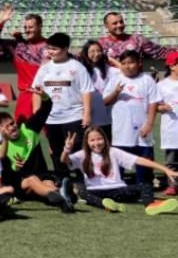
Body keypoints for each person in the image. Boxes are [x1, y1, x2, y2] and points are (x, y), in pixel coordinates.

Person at [62, 128, 178, 214]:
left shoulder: (113, 152)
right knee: (80, 189)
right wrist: (67, 149)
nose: (96, 143)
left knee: (145, 185)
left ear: (105, 139)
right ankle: (105, 205)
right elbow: (64, 161)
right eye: (92, 140)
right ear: (87, 142)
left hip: (118, 190)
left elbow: (140, 160)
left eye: (99, 139)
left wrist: (165, 169)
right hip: (95, 192)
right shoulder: (82, 155)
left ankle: (150, 205)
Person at [0, 89, 74, 213]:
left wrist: (45, 97)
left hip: (42, 175)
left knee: (48, 183)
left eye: (12, 123)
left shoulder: (28, 128)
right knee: (32, 180)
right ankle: (62, 198)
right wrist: (15, 167)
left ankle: (62, 199)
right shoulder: (1, 148)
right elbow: (5, 177)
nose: (12, 127)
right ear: (0, 131)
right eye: (7, 126)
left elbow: (46, 109)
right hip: (21, 185)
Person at [31, 32, 93, 181]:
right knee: (56, 150)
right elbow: (36, 92)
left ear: (65, 48)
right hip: (52, 119)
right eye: (49, 48)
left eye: (55, 49)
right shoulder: (44, 68)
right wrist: (37, 115)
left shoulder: (77, 67)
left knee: (76, 150)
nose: (50, 52)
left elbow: (86, 91)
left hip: (74, 116)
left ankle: (81, 181)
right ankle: (62, 180)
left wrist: (86, 113)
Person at [103, 50, 160, 202]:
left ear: (139, 63)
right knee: (119, 164)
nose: (128, 66)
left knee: (144, 163)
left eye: (131, 62)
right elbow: (105, 102)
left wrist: (149, 124)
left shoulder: (147, 80)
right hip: (121, 132)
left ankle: (145, 192)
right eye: (124, 63)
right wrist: (116, 92)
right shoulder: (115, 79)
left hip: (143, 132)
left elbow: (154, 103)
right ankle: (119, 192)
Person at [0, 5, 50, 124]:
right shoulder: (18, 47)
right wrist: (0, 23)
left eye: (31, 27)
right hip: (25, 97)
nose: (27, 30)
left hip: (46, 95)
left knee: (48, 134)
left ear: (40, 26)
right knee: (24, 134)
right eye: (25, 27)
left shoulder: (52, 47)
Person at [98, 11, 172, 64]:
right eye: (115, 23)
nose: (119, 25)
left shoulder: (137, 39)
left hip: (135, 81)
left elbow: (161, 53)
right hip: (111, 83)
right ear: (106, 26)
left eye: (121, 22)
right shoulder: (100, 44)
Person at [79, 40, 115, 141]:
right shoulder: (80, 70)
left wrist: (111, 60)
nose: (96, 54)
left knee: (107, 148)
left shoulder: (108, 69)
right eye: (92, 51)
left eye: (99, 51)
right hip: (88, 118)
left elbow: (125, 72)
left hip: (107, 118)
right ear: (86, 53)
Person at [157, 51, 178, 197]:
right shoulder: (162, 85)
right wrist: (161, 108)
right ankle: (173, 185)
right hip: (171, 127)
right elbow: (154, 105)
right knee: (171, 159)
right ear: (171, 65)